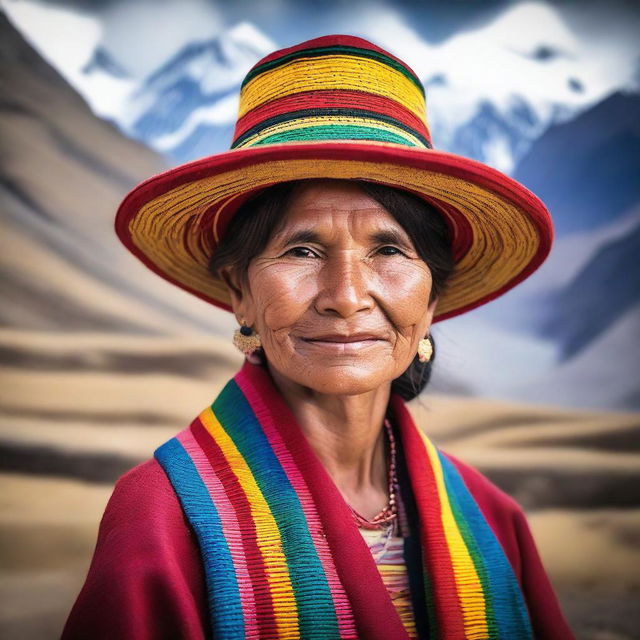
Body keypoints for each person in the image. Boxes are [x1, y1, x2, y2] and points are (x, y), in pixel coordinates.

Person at [62, 34, 575, 639]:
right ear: (239, 292)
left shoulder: (491, 520)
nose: (347, 295)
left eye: (389, 249)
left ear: (432, 299)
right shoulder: (163, 517)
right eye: (302, 250)